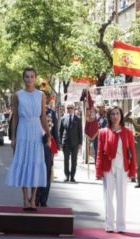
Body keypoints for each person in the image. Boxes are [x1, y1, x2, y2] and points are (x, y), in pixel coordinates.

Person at [5, 67, 51, 211]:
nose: (29, 79)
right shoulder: (17, 95)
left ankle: (33, 199)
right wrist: (13, 137)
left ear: (35, 78)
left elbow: (43, 116)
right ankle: (25, 199)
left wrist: (48, 134)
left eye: (32, 76)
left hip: (36, 130)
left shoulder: (41, 95)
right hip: (23, 131)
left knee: (36, 163)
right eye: (26, 76)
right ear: (23, 78)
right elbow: (15, 117)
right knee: (24, 162)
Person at [96, 106, 137, 233]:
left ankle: (120, 225)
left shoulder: (128, 132)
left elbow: (133, 152)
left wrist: (132, 170)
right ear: (109, 116)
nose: (115, 116)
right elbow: (99, 153)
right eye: (112, 114)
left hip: (122, 168)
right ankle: (109, 224)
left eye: (117, 113)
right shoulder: (103, 132)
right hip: (108, 167)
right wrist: (98, 170)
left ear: (121, 116)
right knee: (107, 197)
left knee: (122, 197)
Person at [35, 104, 59, 207]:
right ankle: (35, 198)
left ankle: (44, 199)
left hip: (48, 146)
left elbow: (55, 130)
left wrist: (56, 146)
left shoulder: (51, 113)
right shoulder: (34, 111)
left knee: (47, 172)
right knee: (36, 171)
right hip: (36, 144)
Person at [59, 103, 83, 182]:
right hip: (65, 142)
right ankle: (67, 176)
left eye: (71, 108)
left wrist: (80, 143)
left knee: (74, 161)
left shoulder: (78, 119)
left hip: (75, 143)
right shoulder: (63, 118)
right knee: (66, 160)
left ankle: (72, 177)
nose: (69, 109)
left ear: (74, 109)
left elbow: (80, 132)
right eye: (68, 108)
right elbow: (60, 131)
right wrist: (60, 142)